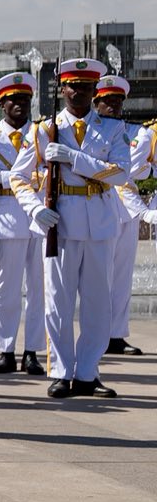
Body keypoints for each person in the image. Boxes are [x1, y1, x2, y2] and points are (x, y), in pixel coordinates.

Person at [12, 57, 131, 398]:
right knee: (57, 302)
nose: (78, 92)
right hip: (59, 223)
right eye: (72, 86)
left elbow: (121, 173)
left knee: (97, 303)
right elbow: (19, 178)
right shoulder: (43, 130)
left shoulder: (112, 128)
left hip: (99, 221)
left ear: (95, 91)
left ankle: (88, 372)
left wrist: (74, 158)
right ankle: (62, 371)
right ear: (61, 88)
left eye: (85, 87)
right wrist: (35, 209)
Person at [0, 73, 46, 377]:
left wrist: (6, 177)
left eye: (24, 99)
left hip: (39, 216)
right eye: (13, 100)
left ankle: (33, 351)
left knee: (38, 288)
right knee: (5, 289)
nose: (20, 105)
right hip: (7, 214)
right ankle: (5, 349)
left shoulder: (43, 134)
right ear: (2, 104)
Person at [95, 75, 153, 354]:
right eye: (108, 100)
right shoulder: (88, 131)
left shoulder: (133, 132)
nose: (114, 105)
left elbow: (131, 170)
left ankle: (116, 334)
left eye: (118, 100)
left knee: (121, 276)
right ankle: (98, 333)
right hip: (98, 205)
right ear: (97, 103)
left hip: (125, 209)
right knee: (99, 276)